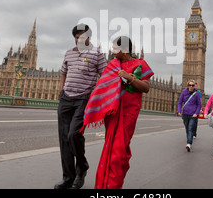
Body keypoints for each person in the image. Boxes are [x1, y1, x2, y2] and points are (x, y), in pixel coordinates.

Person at [82, 36, 154, 189]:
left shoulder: (140, 64)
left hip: (129, 111)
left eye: (115, 48)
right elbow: (102, 87)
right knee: (111, 148)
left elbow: (146, 88)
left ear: (125, 49)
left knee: (120, 150)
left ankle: (113, 186)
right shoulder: (112, 65)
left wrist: (130, 78)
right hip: (113, 112)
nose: (112, 51)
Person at [54, 24, 107, 189]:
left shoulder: (97, 53)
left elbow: (105, 75)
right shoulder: (69, 53)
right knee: (64, 139)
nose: (79, 40)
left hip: (83, 99)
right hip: (66, 98)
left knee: (73, 134)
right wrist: (62, 90)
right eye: (77, 37)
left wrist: (95, 96)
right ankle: (68, 177)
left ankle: (82, 167)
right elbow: (63, 71)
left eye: (82, 37)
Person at [177, 79, 202, 152]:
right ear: (187, 85)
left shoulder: (196, 94)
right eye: (190, 85)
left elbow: (199, 104)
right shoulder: (184, 92)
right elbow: (180, 102)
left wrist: (196, 113)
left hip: (193, 115)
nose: (191, 86)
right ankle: (189, 140)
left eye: (192, 85)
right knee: (187, 129)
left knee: (190, 128)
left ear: (194, 86)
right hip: (185, 114)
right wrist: (179, 111)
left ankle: (189, 143)